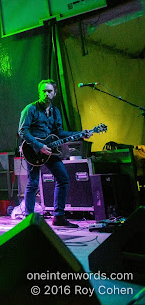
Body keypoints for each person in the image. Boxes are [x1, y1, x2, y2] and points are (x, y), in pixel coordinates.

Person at [19, 79, 91, 228]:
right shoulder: (30, 109)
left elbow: (59, 132)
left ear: (55, 93)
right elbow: (22, 131)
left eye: (49, 91)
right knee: (33, 183)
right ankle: (28, 219)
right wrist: (39, 146)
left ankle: (58, 216)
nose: (46, 94)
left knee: (63, 178)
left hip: (50, 149)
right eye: (43, 91)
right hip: (32, 149)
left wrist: (80, 134)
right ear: (39, 92)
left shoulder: (55, 111)